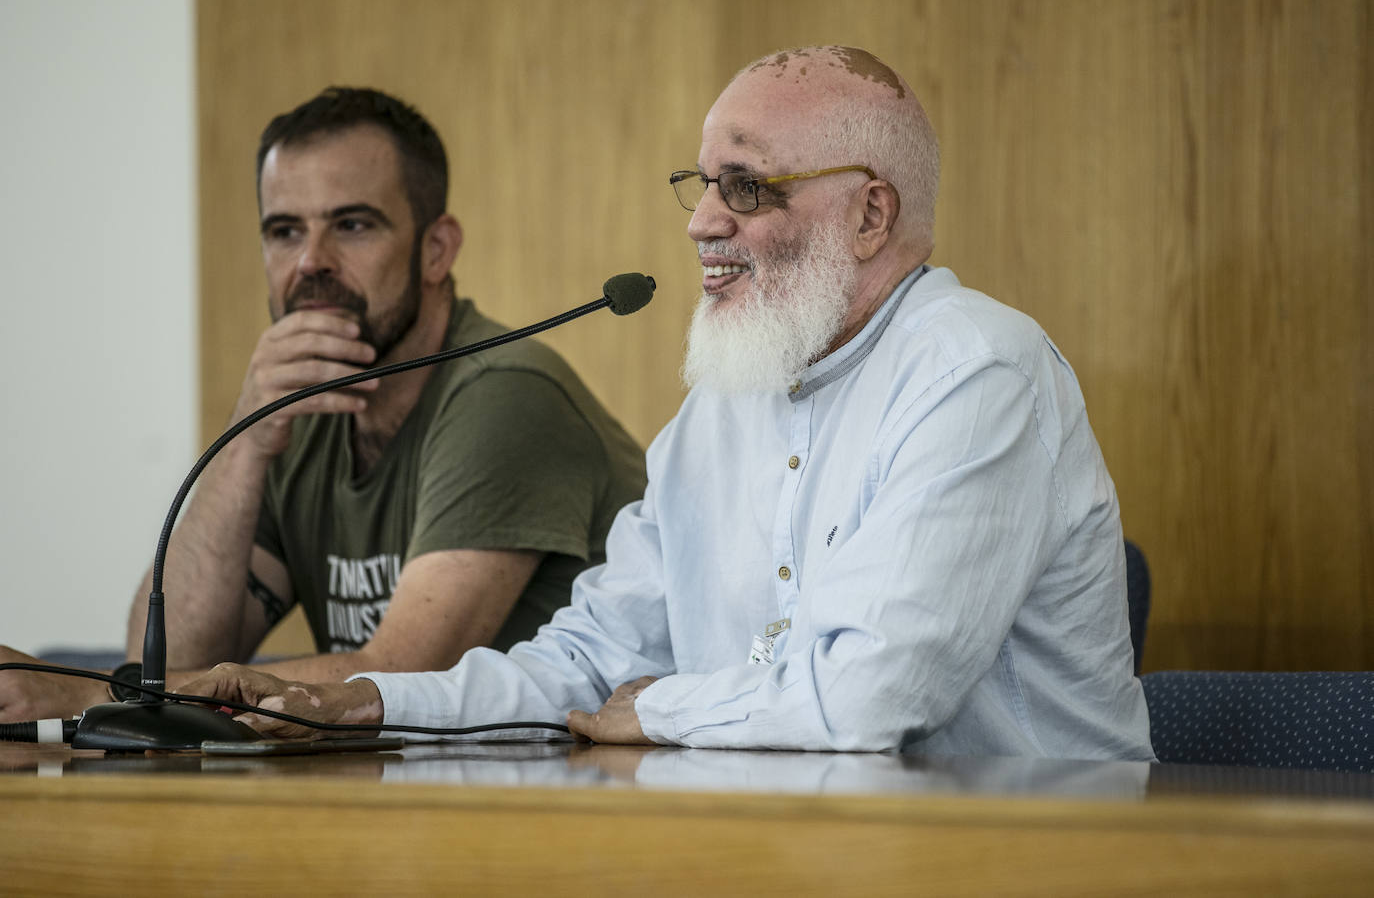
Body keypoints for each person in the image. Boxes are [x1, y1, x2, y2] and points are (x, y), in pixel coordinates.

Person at [182, 47, 1154, 758]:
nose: (699, 222)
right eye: (700, 184)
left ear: (870, 215)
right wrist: (367, 704)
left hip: (1019, 860)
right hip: (774, 849)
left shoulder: (979, 372)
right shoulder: (719, 410)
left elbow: (862, 701)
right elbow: (589, 655)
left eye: (747, 187)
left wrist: (657, 709)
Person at [0, 87, 646, 722]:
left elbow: (402, 672)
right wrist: (248, 440)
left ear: (436, 249)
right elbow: (172, 656)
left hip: (590, 788)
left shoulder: (507, 393)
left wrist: (94, 694)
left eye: (352, 225)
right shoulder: (302, 412)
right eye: (284, 231)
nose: (311, 261)